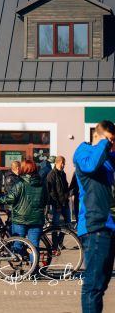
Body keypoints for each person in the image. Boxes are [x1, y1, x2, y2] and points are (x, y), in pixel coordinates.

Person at [73, 121, 115, 313]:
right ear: (97, 137)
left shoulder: (107, 158)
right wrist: (105, 143)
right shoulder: (84, 151)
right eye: (109, 140)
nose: (111, 144)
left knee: (102, 284)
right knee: (93, 286)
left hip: (109, 226)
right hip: (95, 227)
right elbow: (90, 167)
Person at [0, 159, 47, 253]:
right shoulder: (42, 184)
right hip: (36, 219)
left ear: (23, 169)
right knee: (34, 245)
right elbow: (46, 200)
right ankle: (34, 267)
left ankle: (18, 264)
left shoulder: (20, 184)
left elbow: (10, 198)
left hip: (20, 218)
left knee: (18, 243)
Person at [46, 155, 71, 247]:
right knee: (55, 226)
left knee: (68, 224)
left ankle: (59, 242)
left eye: (64, 163)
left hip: (65, 203)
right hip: (56, 204)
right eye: (63, 163)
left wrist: (67, 195)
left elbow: (65, 188)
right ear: (58, 162)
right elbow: (51, 192)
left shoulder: (62, 174)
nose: (64, 165)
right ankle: (55, 244)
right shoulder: (51, 175)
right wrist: (57, 205)